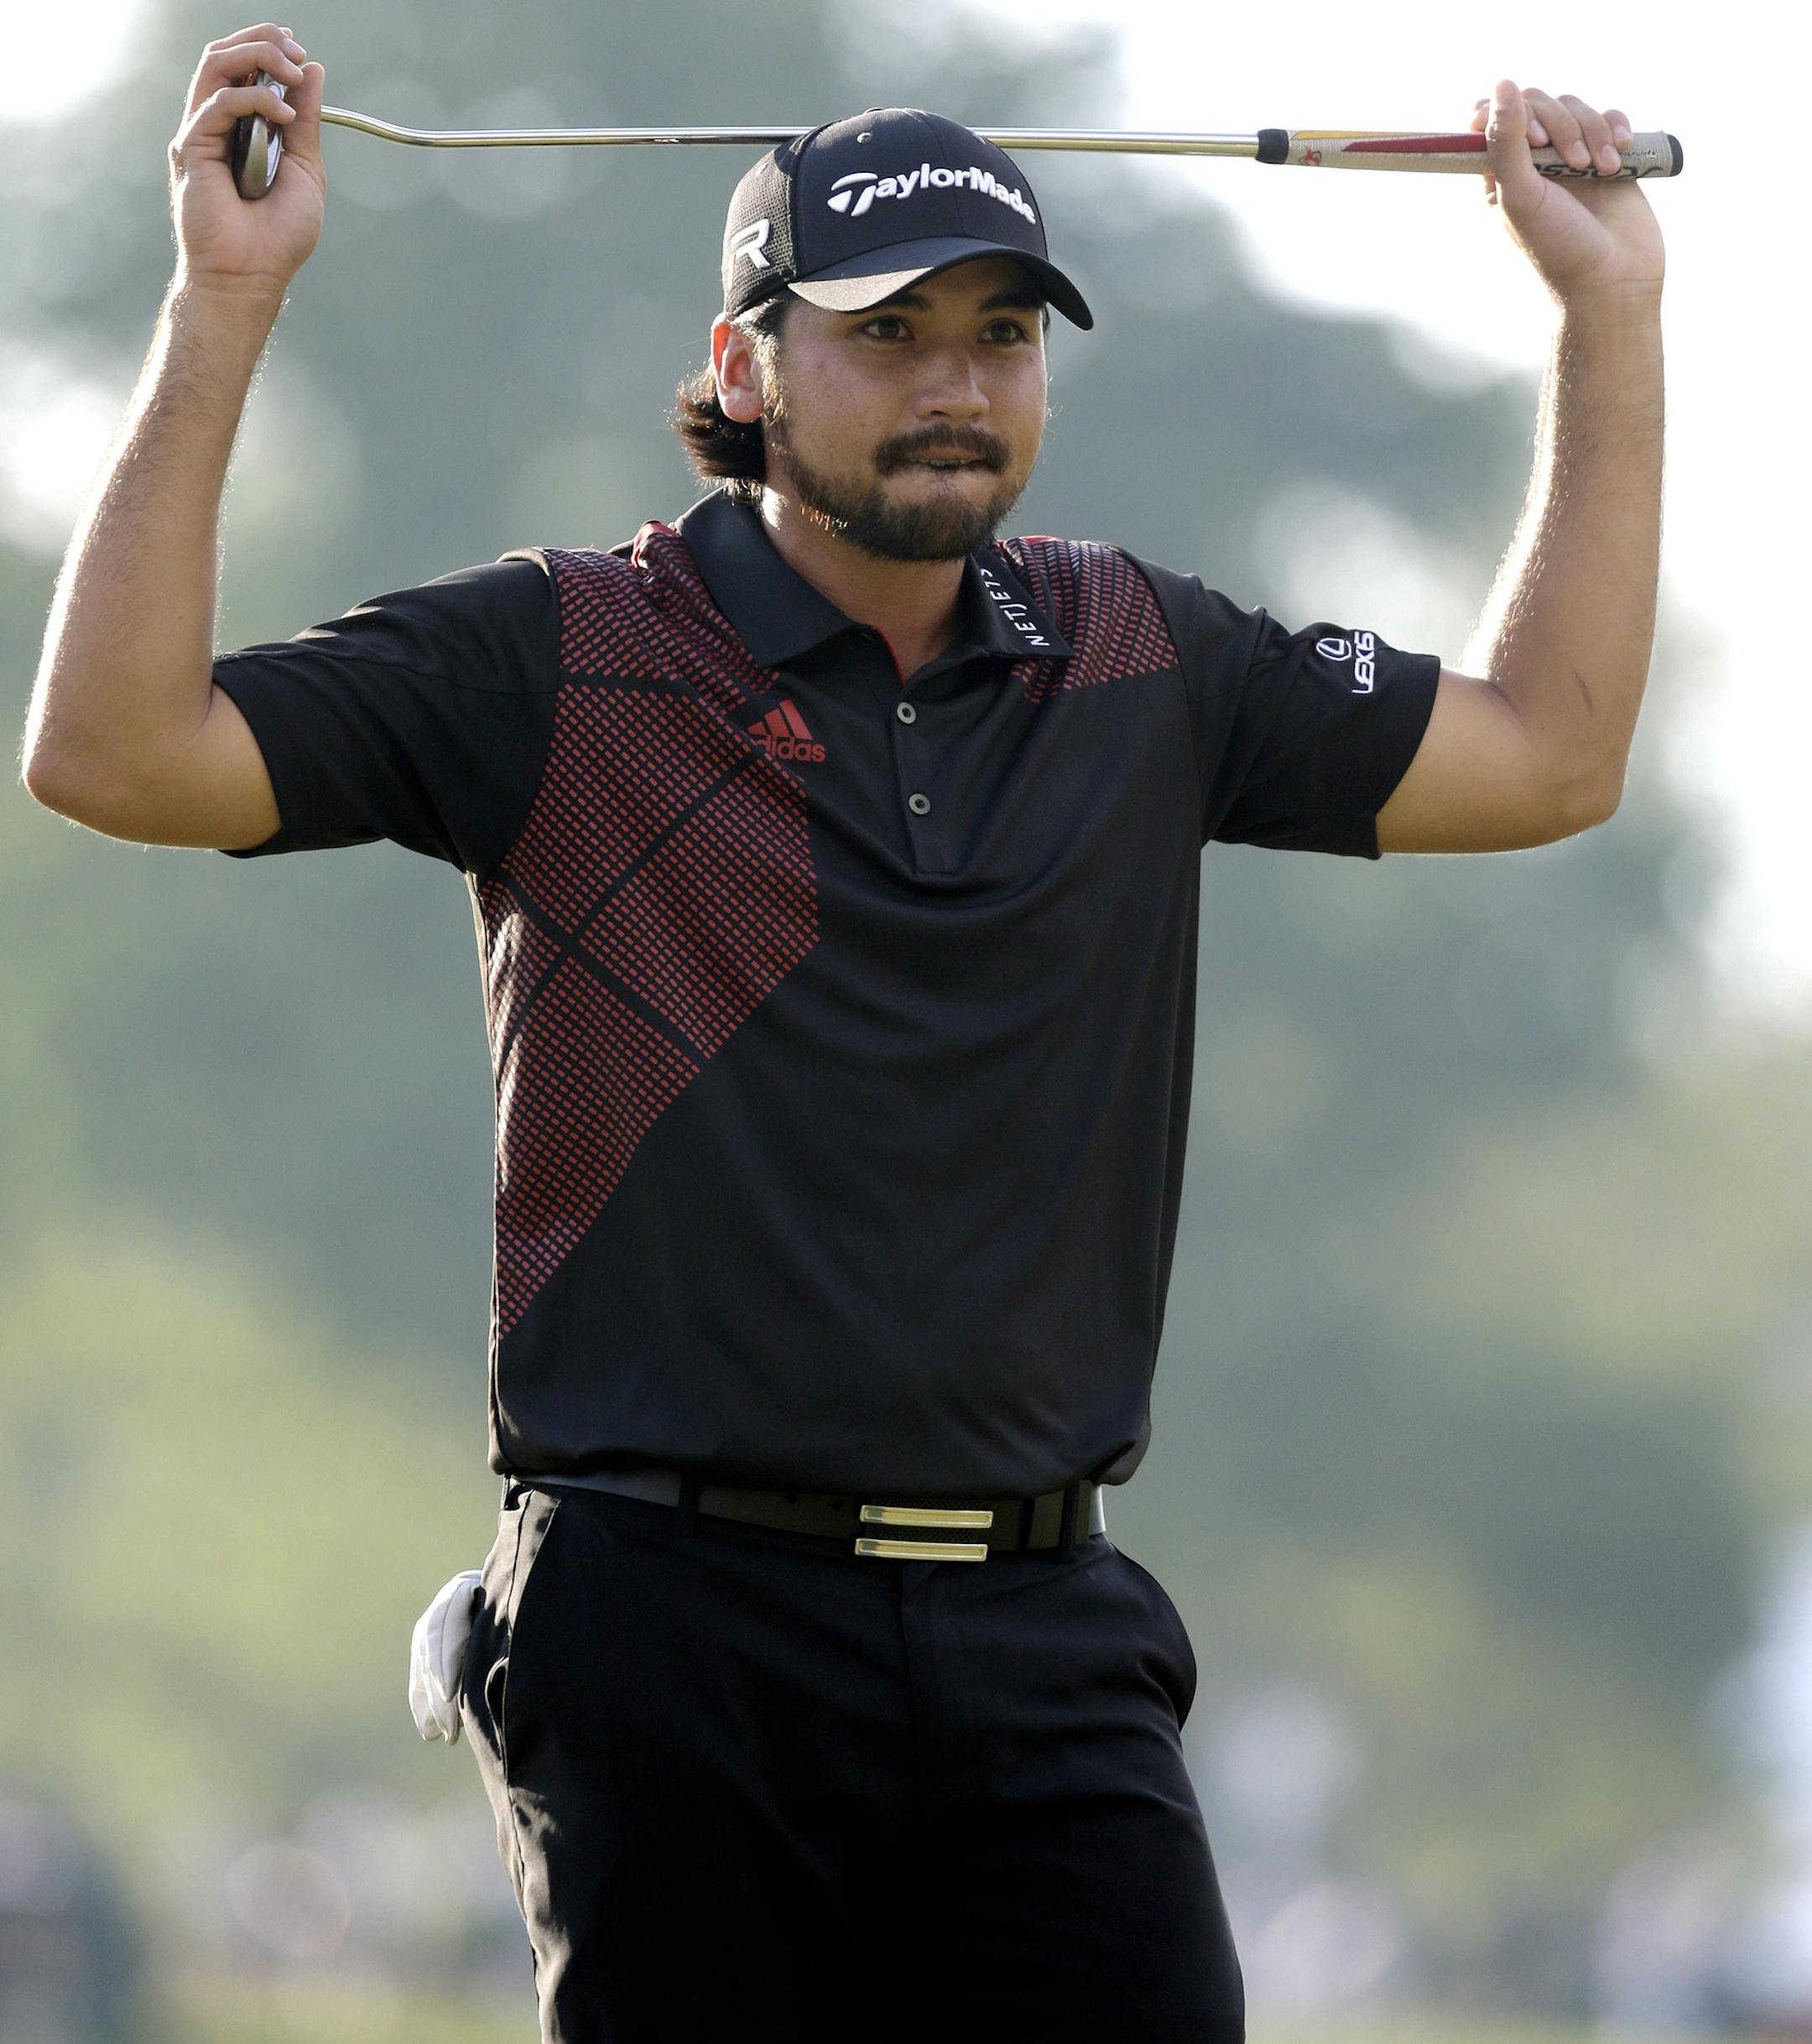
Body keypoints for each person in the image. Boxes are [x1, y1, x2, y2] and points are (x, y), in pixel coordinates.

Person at [21, 22, 1664, 2041]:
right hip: (670, 1627)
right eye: (889, 336)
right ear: (744, 370)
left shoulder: (1147, 656)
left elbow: (1554, 751)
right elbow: (109, 747)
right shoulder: (559, 655)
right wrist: (226, 300)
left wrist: (1608, 314)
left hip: (1046, 1633)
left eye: (1002, 334)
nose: (956, 387)